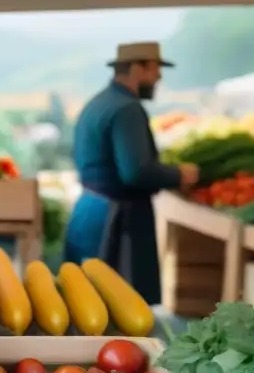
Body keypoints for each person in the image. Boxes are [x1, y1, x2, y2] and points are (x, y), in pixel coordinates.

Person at [64, 42, 199, 305]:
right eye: (155, 68)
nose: (159, 77)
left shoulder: (98, 102)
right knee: (120, 308)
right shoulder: (127, 109)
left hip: (89, 211)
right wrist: (178, 175)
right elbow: (136, 172)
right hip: (117, 220)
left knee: (84, 302)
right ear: (137, 68)